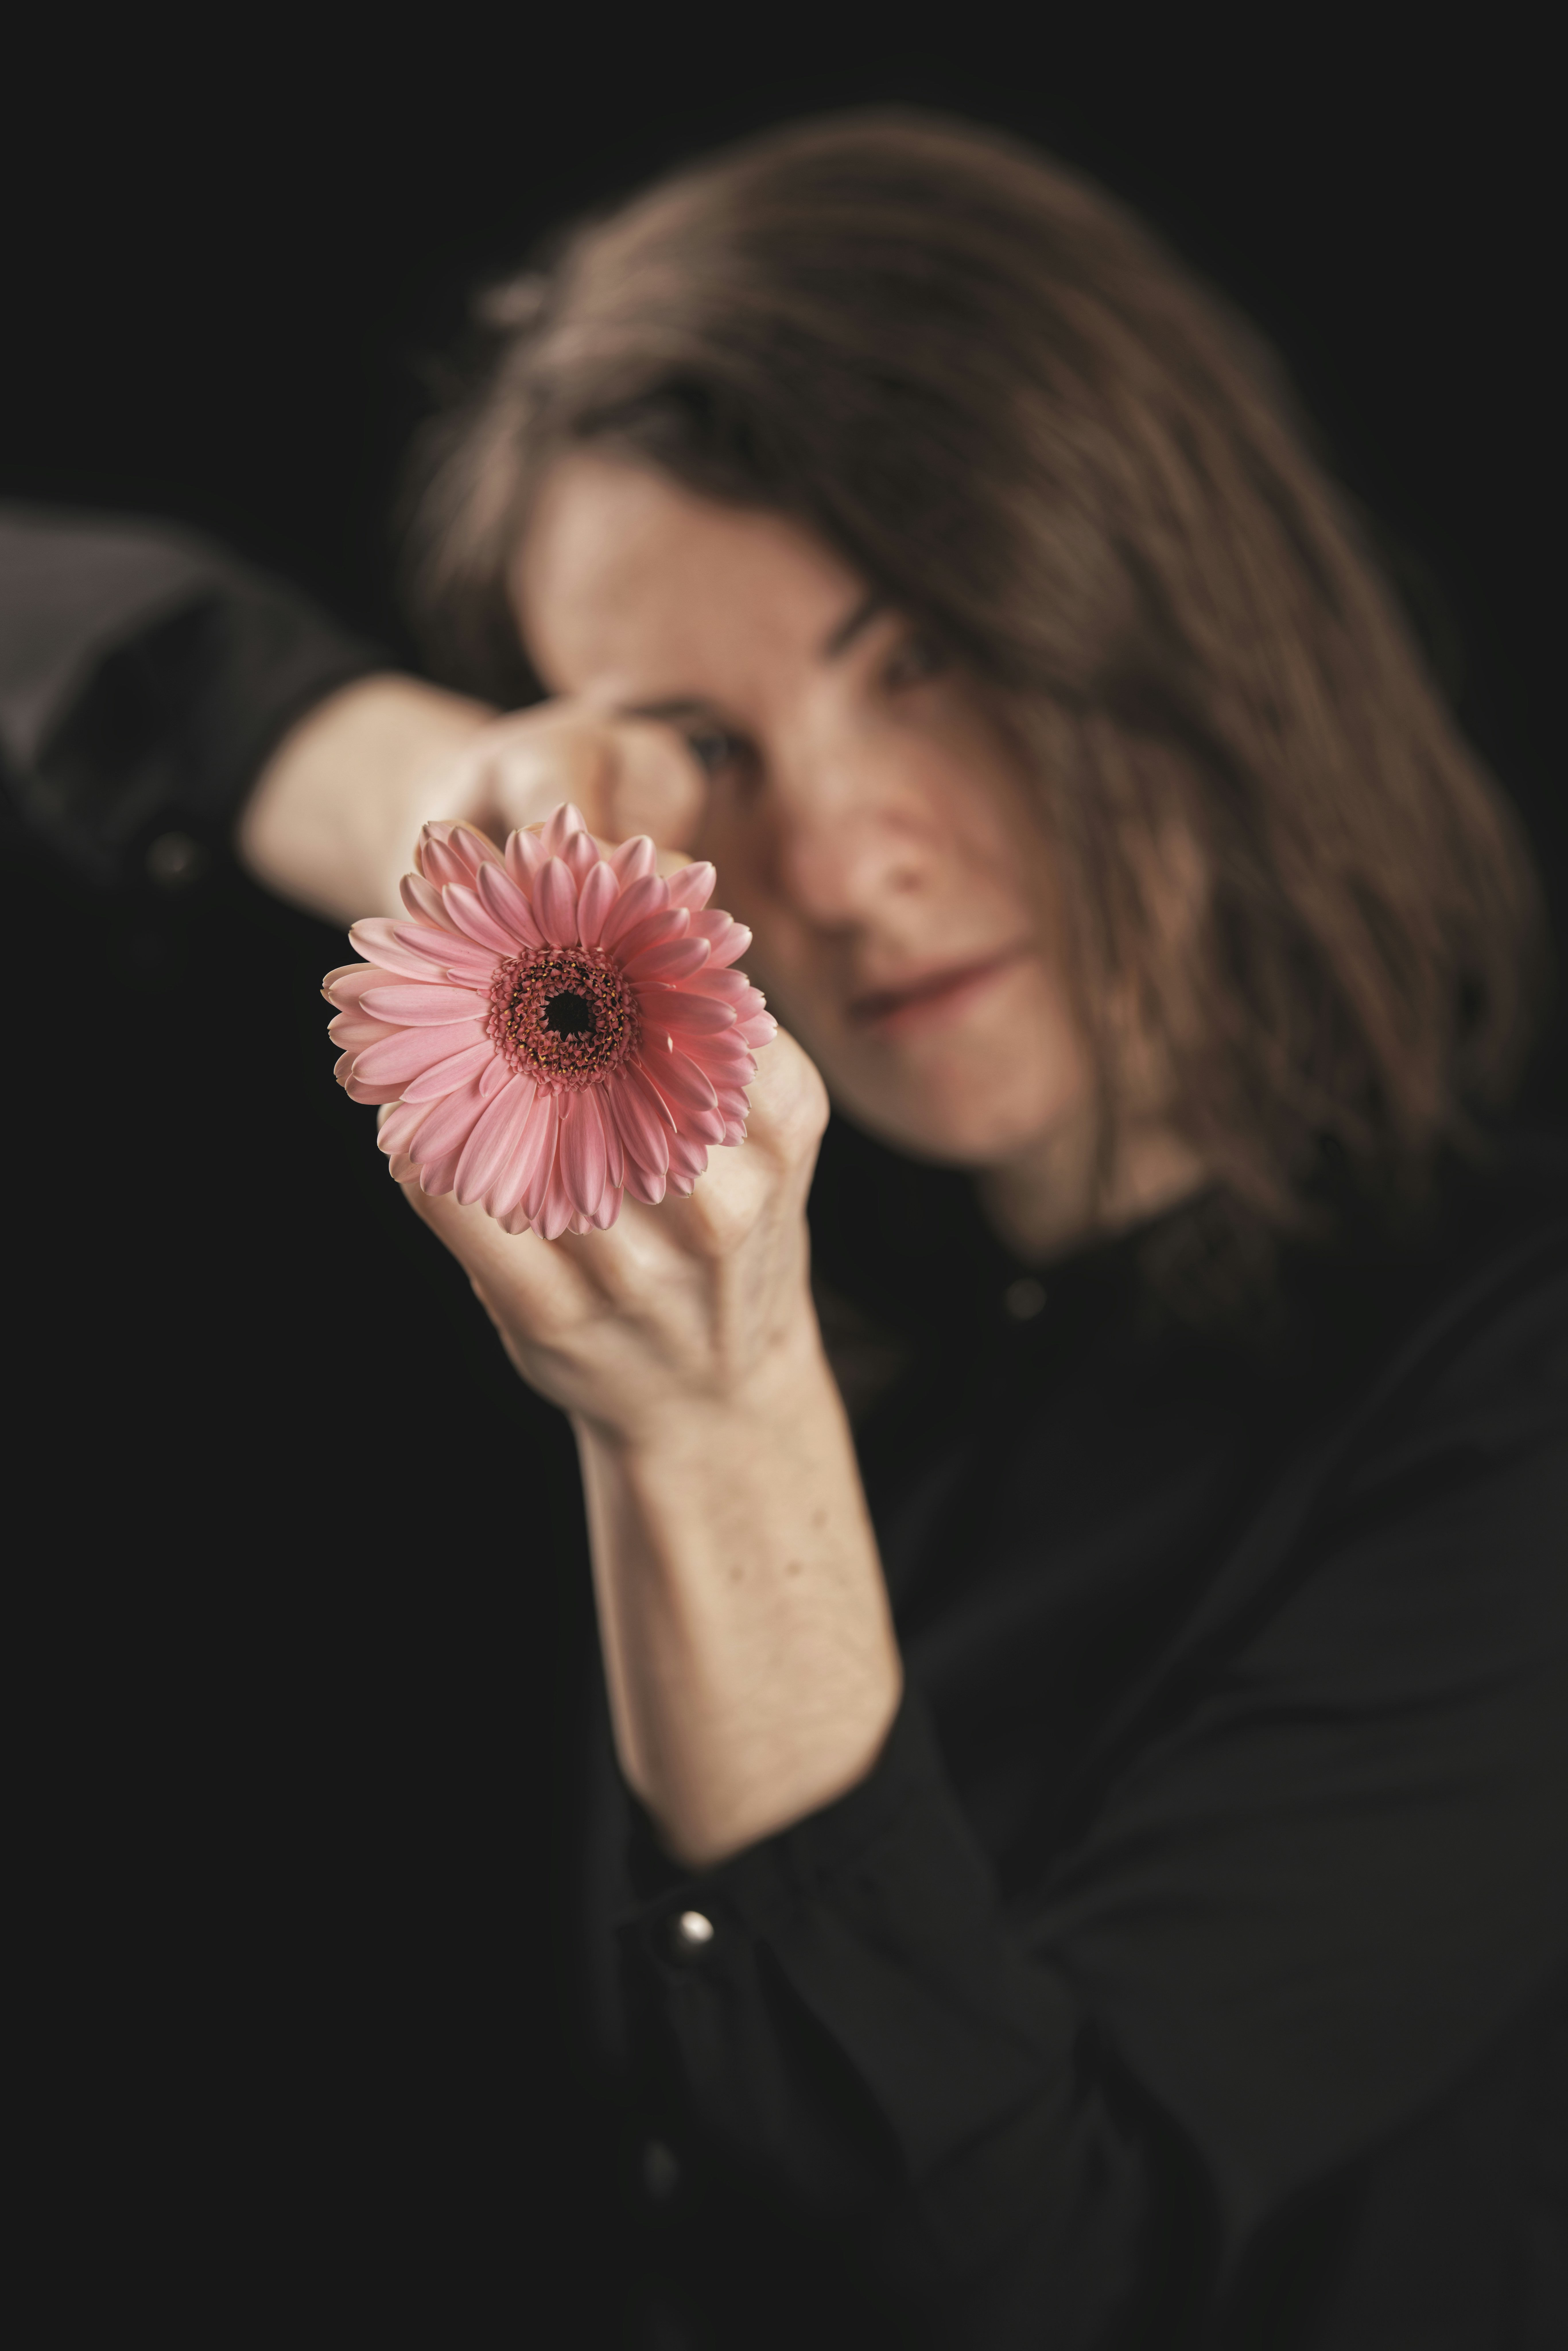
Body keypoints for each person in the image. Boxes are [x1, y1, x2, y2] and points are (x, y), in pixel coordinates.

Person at [5, 108, 1565, 2349]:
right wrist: (432, 796)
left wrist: (711, 1427)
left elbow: (1018, 2268)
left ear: (1159, 595)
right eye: (703, 740)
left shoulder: (1508, 1376)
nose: (835, 859)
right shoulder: (862, 1249)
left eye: (915, 655)